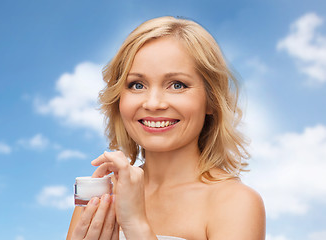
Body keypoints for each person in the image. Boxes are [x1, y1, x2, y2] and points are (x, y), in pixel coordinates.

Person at [66, 16, 266, 240]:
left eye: (177, 85)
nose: (153, 103)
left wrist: (136, 225)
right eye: (137, 85)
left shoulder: (236, 203)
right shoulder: (101, 196)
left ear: (211, 100)